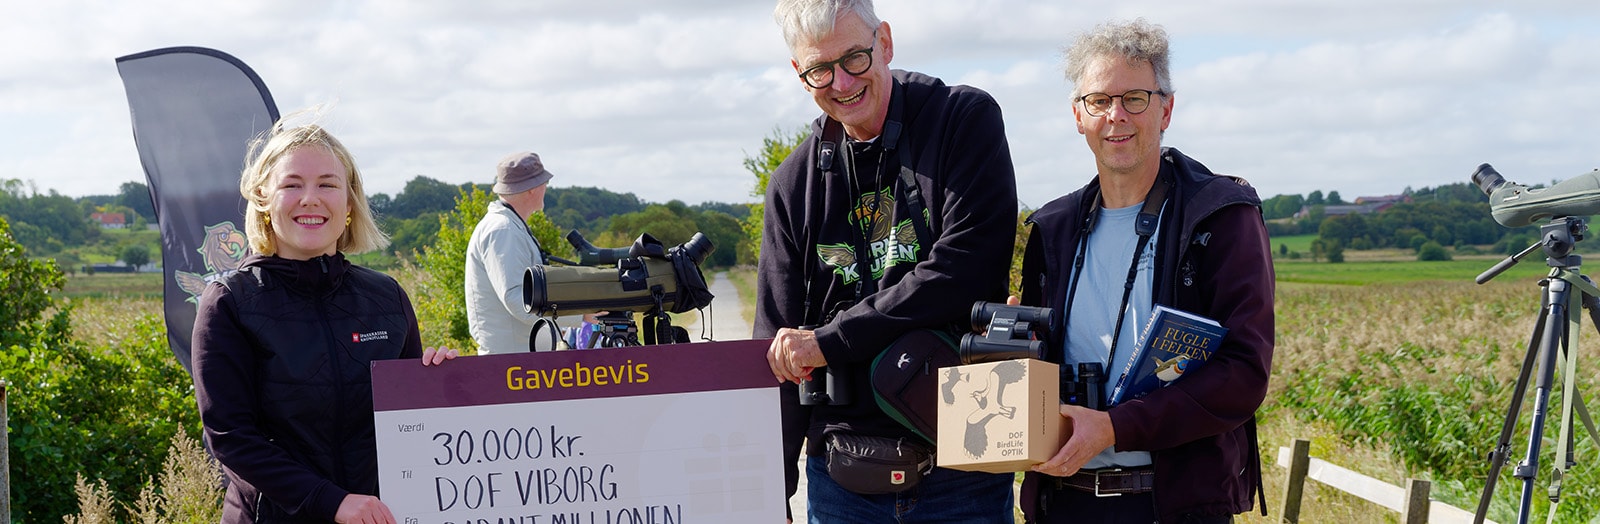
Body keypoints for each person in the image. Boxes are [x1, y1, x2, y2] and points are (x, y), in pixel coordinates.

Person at [757, 0, 1019, 521]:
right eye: (819, 69)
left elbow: (964, 269)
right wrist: (769, 489)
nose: (841, 83)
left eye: (854, 58)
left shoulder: (963, 120)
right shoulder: (792, 184)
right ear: (798, 73)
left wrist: (830, 340)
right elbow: (777, 350)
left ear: (886, 43)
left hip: (965, 465)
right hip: (842, 482)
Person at [1015, 19, 1275, 523]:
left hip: (1175, 507)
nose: (1116, 116)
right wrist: (1011, 350)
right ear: (1078, 115)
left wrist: (1115, 428)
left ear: (1166, 109)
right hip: (1062, 502)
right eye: (1099, 101)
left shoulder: (1221, 216)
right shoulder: (1053, 228)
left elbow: (1244, 373)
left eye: (1135, 98)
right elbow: (1041, 366)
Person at [191, 119, 459, 524]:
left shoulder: (386, 297)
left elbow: (409, 427)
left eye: (327, 185)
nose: (310, 199)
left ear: (349, 203)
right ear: (264, 199)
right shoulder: (229, 302)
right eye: (292, 184)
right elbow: (231, 438)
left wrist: (439, 385)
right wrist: (332, 502)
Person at [465, 151, 556, 354]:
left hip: (516, 356)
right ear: (532, 189)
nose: (546, 188)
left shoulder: (508, 226)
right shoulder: (503, 230)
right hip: (512, 361)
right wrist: (579, 315)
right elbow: (517, 299)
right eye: (544, 183)